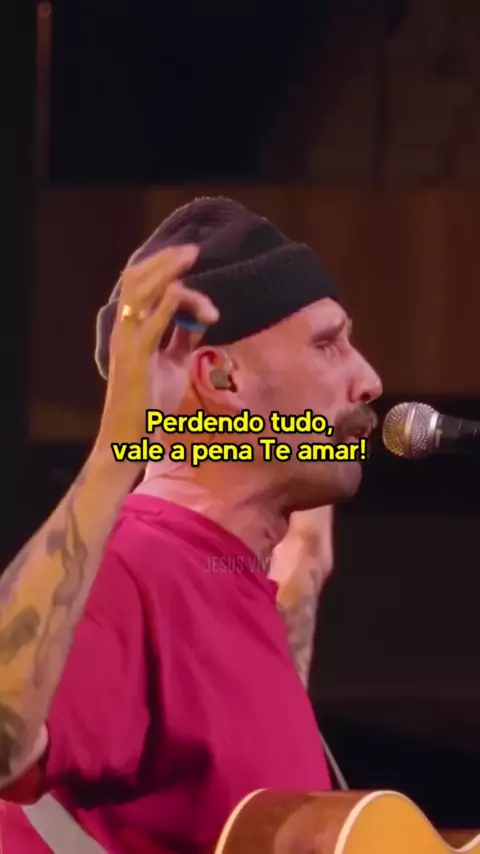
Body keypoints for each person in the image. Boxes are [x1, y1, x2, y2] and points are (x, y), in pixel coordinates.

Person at [0, 198, 381, 853]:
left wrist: (304, 563)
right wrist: (120, 445)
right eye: (328, 344)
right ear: (221, 378)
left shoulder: (221, 572)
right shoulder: (129, 570)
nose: (369, 379)